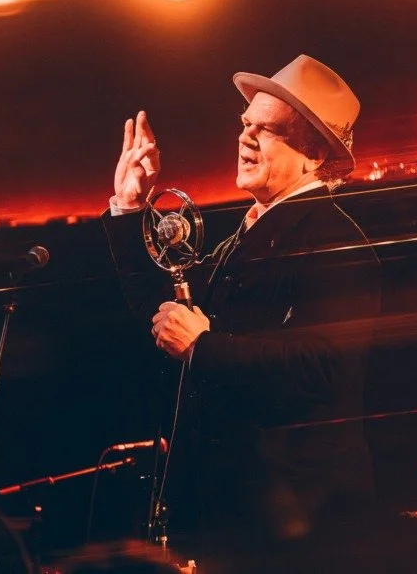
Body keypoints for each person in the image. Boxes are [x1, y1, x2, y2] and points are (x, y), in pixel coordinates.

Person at [101, 55, 382, 572]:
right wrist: (129, 207)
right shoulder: (248, 235)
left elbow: (320, 368)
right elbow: (167, 318)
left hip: (298, 533)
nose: (245, 137)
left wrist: (204, 346)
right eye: (245, 124)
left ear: (314, 155)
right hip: (241, 518)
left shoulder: (335, 242)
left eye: (267, 129)